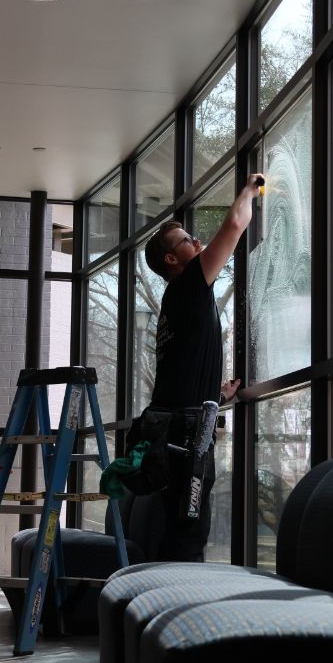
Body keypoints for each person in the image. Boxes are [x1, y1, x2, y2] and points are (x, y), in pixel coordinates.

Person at [139, 173, 264, 560]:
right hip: (185, 433)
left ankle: (161, 606)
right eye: (185, 241)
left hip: (178, 425)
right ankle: (174, 610)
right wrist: (251, 188)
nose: (196, 241)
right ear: (173, 259)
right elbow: (234, 225)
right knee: (189, 530)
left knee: (183, 525)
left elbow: (182, 366)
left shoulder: (179, 299)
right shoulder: (189, 285)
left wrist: (216, 394)